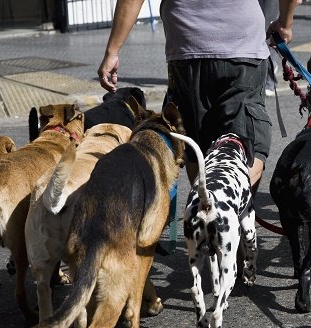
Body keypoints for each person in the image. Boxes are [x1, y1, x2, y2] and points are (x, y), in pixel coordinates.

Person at [98, 0, 298, 193]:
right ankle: (230, 211)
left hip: (186, 50)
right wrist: (284, 24)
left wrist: (112, 51)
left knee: (196, 144)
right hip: (241, 47)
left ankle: (205, 209)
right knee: (247, 144)